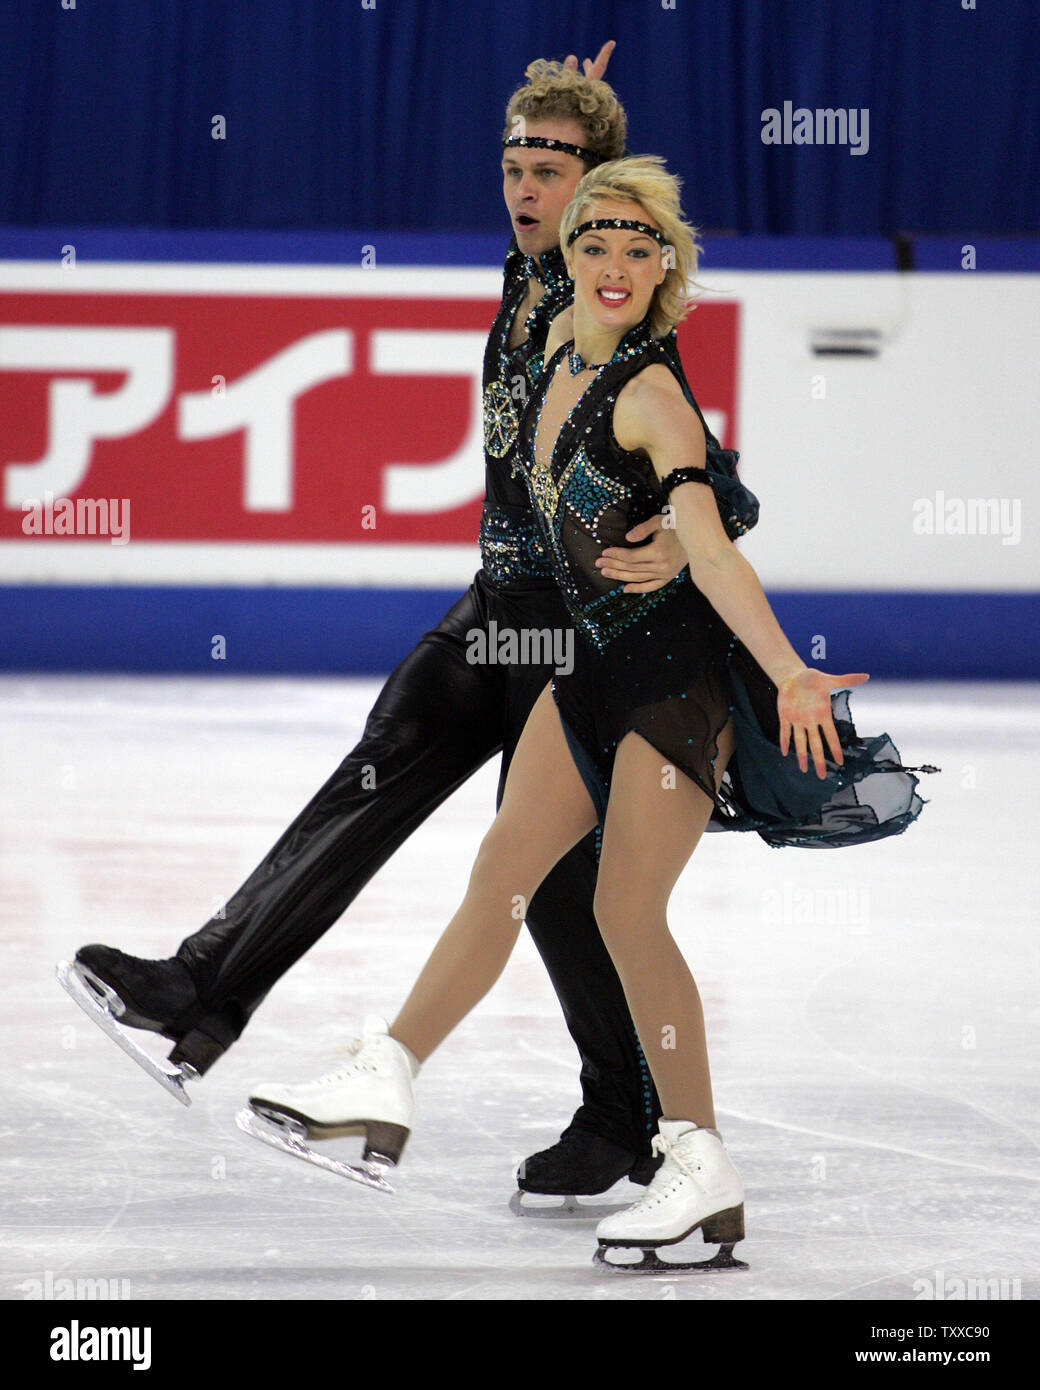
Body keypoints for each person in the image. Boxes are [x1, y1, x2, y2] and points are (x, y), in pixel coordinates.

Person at [244, 156, 935, 1272]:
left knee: (623, 913)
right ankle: (386, 1076)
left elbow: (706, 545)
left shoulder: (652, 394)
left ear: (665, 268)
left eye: (636, 248)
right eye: (593, 244)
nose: (613, 265)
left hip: (668, 693)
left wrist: (788, 666)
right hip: (580, 674)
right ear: (562, 257)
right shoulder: (551, 351)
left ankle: (697, 1162)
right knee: (502, 873)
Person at [60, 51, 703, 1200]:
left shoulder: (596, 293)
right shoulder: (524, 273)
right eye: (510, 164)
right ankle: (202, 987)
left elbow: (679, 420)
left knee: (554, 882)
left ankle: (624, 1115)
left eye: (549, 168)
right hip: (497, 611)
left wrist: (692, 527)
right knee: (381, 771)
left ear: (598, 189)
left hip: (572, 635)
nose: (521, 186)